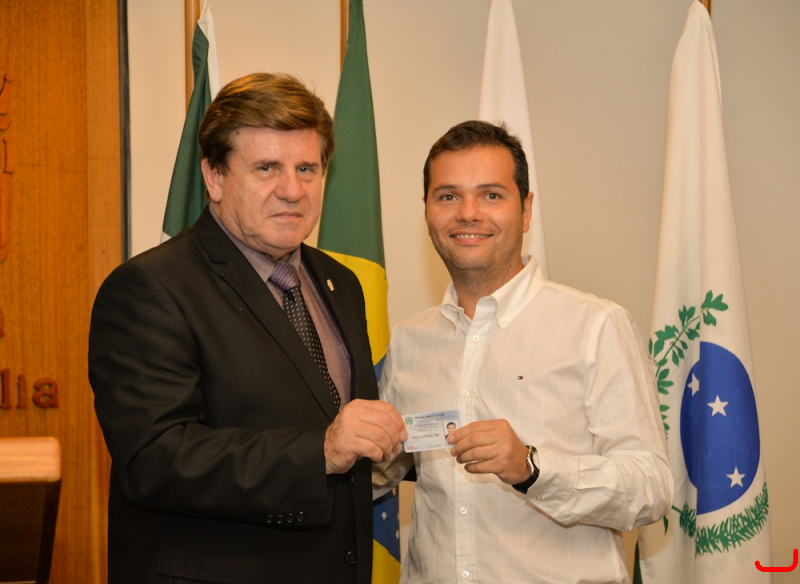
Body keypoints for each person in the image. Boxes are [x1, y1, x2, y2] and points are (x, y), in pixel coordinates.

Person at [89, 73, 406, 584]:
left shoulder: (340, 283)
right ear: (214, 177)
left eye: (307, 168)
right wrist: (319, 451)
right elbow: (154, 460)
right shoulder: (151, 287)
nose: (292, 190)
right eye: (266, 168)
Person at [374, 120, 673, 584]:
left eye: (491, 195)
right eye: (448, 196)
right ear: (427, 211)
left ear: (526, 210)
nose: (468, 213)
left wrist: (532, 468)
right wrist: (357, 453)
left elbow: (651, 486)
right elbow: (385, 472)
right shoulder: (409, 340)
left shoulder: (596, 326)